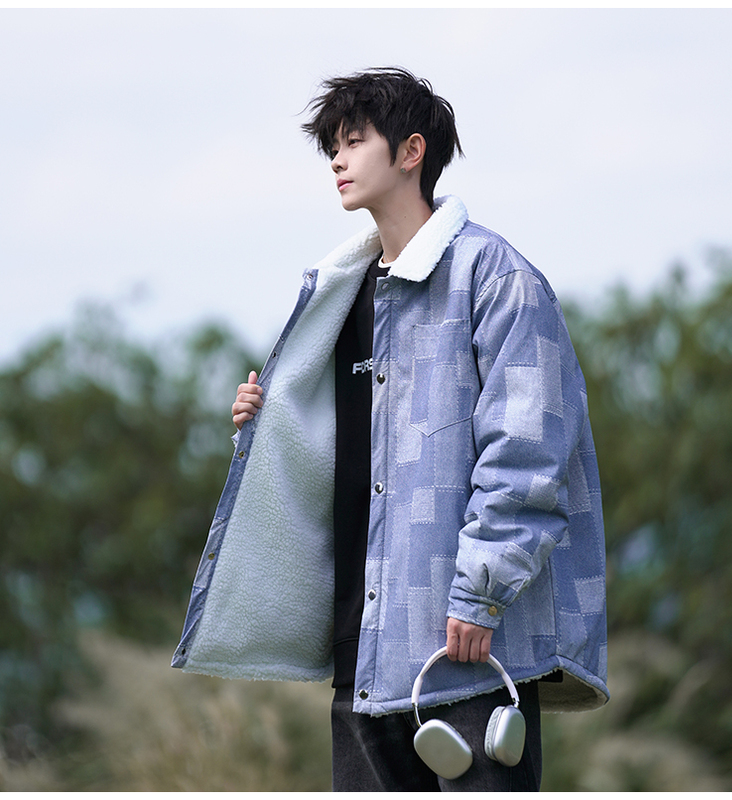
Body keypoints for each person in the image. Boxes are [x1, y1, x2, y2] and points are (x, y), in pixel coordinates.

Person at [172, 67, 609, 791]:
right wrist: (269, 424)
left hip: (465, 648)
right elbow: (348, 452)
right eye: (332, 148)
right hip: (364, 652)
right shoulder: (341, 293)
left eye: (353, 141)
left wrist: (481, 595)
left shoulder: (496, 278)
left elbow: (529, 451)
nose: (337, 161)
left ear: (411, 152)